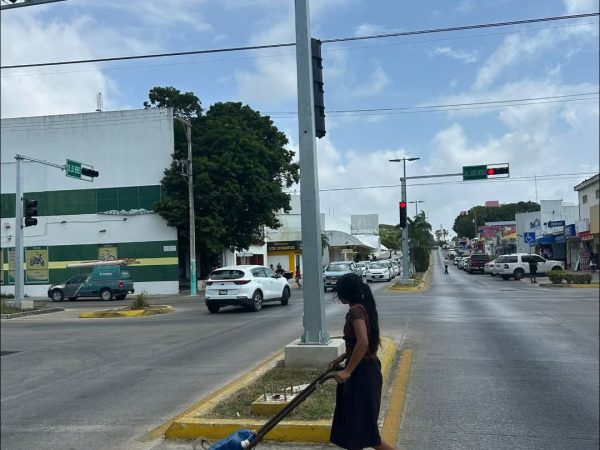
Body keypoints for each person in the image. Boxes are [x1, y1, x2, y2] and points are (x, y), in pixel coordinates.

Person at [328, 273, 394, 450]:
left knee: (365, 432)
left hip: (362, 374)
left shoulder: (355, 311)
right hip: (366, 370)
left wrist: (347, 371)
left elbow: (363, 342)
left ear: (344, 294)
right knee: (356, 431)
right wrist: (344, 356)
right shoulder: (364, 307)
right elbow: (361, 342)